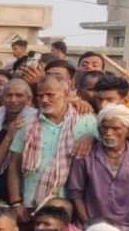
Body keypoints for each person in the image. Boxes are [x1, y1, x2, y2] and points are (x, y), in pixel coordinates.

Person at [8, 76, 97, 220]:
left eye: (50, 94)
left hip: (71, 204)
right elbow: (13, 165)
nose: (44, 100)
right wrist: (16, 202)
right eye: (40, 95)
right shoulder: (27, 123)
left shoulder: (87, 121)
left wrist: (91, 136)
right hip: (31, 203)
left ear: (66, 94)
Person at [67, 104, 129, 229]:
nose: (108, 133)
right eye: (105, 128)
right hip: (90, 223)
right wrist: (87, 222)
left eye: (116, 128)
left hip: (126, 225)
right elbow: (76, 193)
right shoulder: (85, 154)